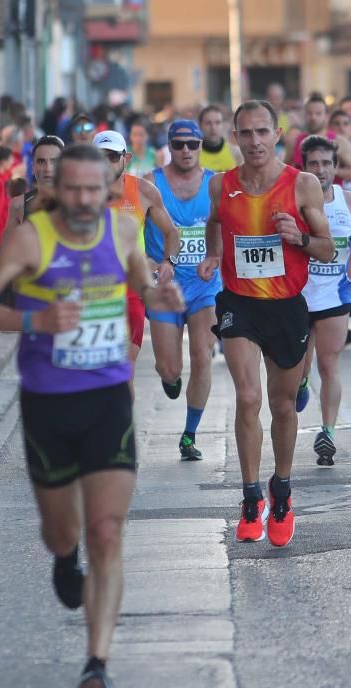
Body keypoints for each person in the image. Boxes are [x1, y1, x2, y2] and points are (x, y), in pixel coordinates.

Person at [0, 143, 184, 688]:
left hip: (108, 397)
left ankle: (96, 664)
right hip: (48, 403)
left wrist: (161, 293)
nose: (86, 199)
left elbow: (142, 285)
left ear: (108, 188)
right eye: (75, 189)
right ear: (57, 189)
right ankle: (64, 555)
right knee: (65, 531)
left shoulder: (124, 230)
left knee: (107, 530)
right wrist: (34, 317)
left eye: (95, 189)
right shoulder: (31, 237)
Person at [197, 100, 333, 547]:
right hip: (240, 303)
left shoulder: (303, 185)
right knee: (248, 396)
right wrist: (214, 255)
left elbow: (328, 250)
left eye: (262, 132)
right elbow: (214, 223)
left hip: (287, 305)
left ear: (276, 133)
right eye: (245, 133)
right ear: (234, 138)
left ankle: (282, 490)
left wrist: (299, 238)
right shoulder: (221, 185)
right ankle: (250, 496)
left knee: (282, 405)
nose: (254, 141)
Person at [144, 120, 222, 460]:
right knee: (169, 369)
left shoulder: (216, 184)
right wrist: (149, 262)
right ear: (169, 147)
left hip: (205, 285)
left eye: (192, 144)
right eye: (179, 144)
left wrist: (219, 257)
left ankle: (189, 435)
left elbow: (229, 227)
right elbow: (130, 229)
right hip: (164, 287)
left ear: (201, 145)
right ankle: (170, 378)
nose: (186, 150)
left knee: (203, 356)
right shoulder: (150, 183)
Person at [297, 135, 351, 463]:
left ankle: (327, 432)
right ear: (304, 168)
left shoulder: (348, 200)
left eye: (327, 163)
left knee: (329, 364)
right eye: (314, 163)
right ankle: (299, 384)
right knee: (300, 368)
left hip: (334, 293)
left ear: (336, 167)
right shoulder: (294, 198)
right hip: (298, 295)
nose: (321, 169)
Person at [93, 129, 180, 372]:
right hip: (93, 288)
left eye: (112, 156)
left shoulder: (143, 191)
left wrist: (168, 262)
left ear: (126, 158)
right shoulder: (78, 194)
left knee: (123, 368)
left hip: (132, 288)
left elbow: (172, 232)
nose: (106, 163)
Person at [289, 94, 351, 185]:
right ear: (304, 115)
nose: (313, 117)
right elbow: (284, 170)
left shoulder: (339, 141)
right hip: (301, 196)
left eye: (318, 113)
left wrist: (331, 170)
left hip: (329, 197)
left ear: (326, 116)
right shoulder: (295, 141)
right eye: (309, 113)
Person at [5, 136, 65, 228]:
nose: (48, 168)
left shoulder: (75, 204)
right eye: (41, 162)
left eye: (54, 161)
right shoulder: (18, 205)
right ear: (32, 167)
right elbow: (10, 241)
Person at [198, 104, 241, 172]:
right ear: (200, 125)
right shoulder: (193, 155)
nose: (213, 127)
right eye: (208, 123)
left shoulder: (237, 153)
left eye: (217, 123)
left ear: (223, 125)